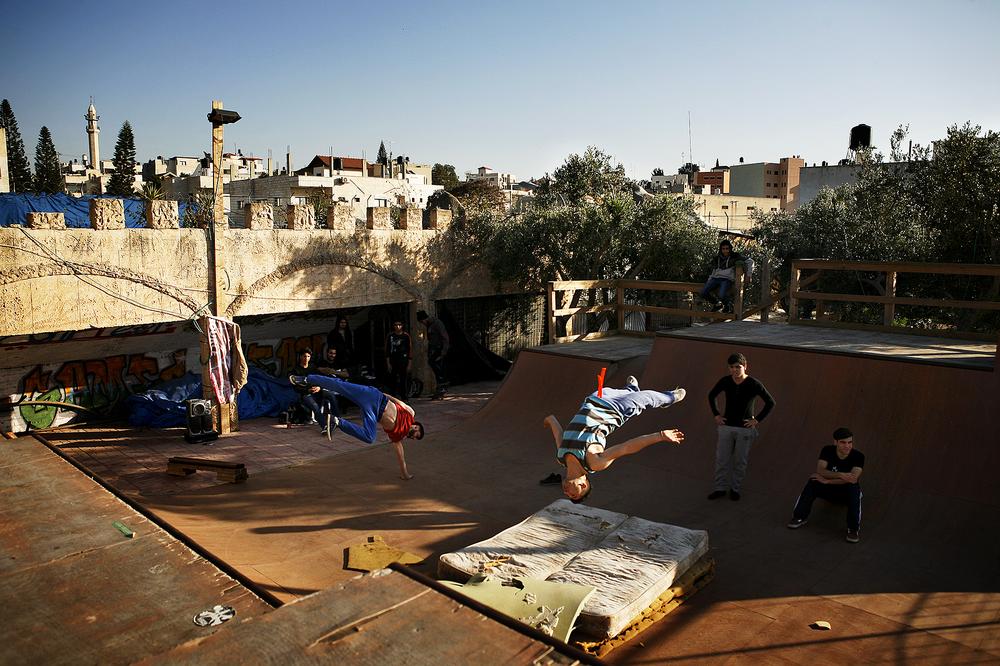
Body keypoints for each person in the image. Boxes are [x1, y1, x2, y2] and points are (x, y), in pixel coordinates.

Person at [542, 376, 686, 502]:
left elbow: (559, 435)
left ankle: (631, 388)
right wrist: (659, 436)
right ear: (583, 485)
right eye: (572, 495)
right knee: (647, 397)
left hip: (594, 400)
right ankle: (670, 398)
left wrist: (551, 420)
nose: (566, 493)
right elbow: (626, 447)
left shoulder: (561, 458)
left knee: (611, 390)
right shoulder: (594, 463)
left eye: (566, 495)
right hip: (618, 409)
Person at [289, 373, 424, 480]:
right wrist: (380, 393)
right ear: (416, 424)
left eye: (414, 436)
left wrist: (405, 473)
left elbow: (401, 456)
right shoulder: (411, 413)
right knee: (340, 385)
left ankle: (337, 422)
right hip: (375, 396)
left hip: (371, 411)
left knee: (370, 438)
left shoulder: (397, 437)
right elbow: (395, 400)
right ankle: (307, 379)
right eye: (416, 430)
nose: (413, 432)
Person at [707, 352, 776, 501]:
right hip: (726, 427)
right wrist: (716, 415)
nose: (734, 370)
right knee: (722, 459)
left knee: (740, 461)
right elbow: (711, 395)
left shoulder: (754, 383)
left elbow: (770, 402)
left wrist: (756, 420)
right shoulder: (725, 381)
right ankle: (720, 488)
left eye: (738, 367)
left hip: (745, 429)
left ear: (745, 366)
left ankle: (735, 488)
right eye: (731, 367)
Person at [787, 427, 864, 543]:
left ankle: (853, 529)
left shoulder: (858, 456)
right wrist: (841, 474)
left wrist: (828, 481)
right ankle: (799, 517)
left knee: (854, 489)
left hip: (844, 491)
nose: (847, 446)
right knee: (813, 480)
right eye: (843, 442)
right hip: (828, 489)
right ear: (835, 442)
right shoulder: (827, 450)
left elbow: (852, 479)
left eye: (850, 442)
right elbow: (820, 471)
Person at [700, 239, 745, 313]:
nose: (725, 251)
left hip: (727, 279)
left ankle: (728, 305)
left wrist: (748, 275)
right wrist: (709, 279)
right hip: (716, 278)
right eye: (723, 249)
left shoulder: (735, 256)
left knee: (721, 294)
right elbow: (714, 270)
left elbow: (750, 261)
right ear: (721, 249)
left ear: (730, 249)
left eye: (727, 249)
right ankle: (717, 304)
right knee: (703, 292)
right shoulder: (717, 258)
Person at [416, 310, 449, 399]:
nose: (422, 324)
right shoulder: (429, 325)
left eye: (422, 322)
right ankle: (439, 390)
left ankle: (442, 389)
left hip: (438, 350)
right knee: (435, 369)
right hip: (433, 350)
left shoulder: (437, 323)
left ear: (424, 319)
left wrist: (443, 352)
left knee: (439, 370)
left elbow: (445, 338)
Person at [288, 348, 322, 427]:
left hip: (317, 391)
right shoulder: (296, 370)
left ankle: (338, 419)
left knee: (330, 395)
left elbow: (320, 380)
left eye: (308, 356)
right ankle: (322, 422)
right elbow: (296, 387)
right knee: (314, 406)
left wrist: (319, 387)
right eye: (304, 356)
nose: (306, 358)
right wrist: (308, 390)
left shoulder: (313, 368)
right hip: (305, 393)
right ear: (300, 357)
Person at [385, 319, 412, 399]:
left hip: (403, 360)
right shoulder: (390, 336)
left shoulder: (406, 336)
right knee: (392, 379)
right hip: (393, 360)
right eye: (396, 325)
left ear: (402, 326)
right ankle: (393, 396)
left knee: (403, 379)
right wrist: (388, 363)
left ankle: (404, 396)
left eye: (399, 325)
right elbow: (387, 350)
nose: (398, 327)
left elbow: (410, 349)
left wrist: (409, 363)